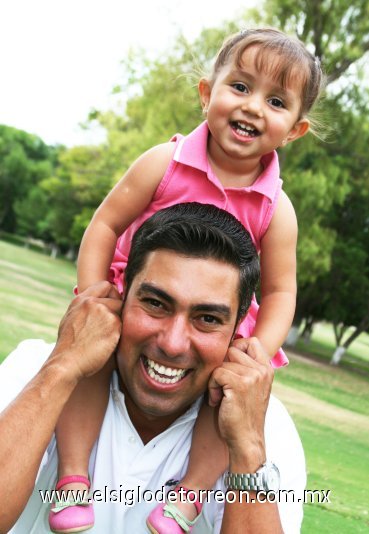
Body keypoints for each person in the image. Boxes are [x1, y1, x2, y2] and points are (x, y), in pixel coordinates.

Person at [53, 27, 323, 533]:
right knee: (88, 362)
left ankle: (188, 497)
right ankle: (72, 476)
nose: (252, 108)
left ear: (294, 131)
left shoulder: (277, 208)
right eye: (239, 87)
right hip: (138, 300)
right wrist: (92, 292)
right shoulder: (165, 162)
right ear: (206, 93)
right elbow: (105, 224)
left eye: (276, 101)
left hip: (219, 322)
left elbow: (282, 290)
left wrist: (257, 350)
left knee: (226, 401)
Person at [0, 203, 305, 534]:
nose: (173, 344)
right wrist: (60, 370)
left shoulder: (266, 429)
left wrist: (247, 448)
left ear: (237, 332)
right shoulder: (39, 368)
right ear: (122, 292)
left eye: (207, 319)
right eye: (156, 304)